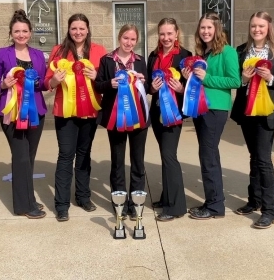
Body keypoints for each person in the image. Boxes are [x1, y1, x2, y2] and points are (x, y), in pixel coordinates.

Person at [231, 11, 274, 229]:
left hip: (267, 112)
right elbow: (235, 80)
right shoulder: (241, 51)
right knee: (254, 156)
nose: (257, 30)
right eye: (253, 26)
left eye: (261, 26)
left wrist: (271, 78)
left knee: (263, 159)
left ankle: (270, 210)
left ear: (269, 28)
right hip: (247, 111)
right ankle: (254, 200)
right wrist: (244, 79)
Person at [44, 13, 107, 222]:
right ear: (69, 30)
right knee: (65, 155)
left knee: (84, 154)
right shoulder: (58, 51)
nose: (78, 32)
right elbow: (47, 83)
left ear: (88, 29)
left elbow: (105, 81)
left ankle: (83, 196)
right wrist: (53, 80)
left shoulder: (99, 51)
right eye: (74, 28)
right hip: (65, 111)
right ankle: (61, 204)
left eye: (82, 28)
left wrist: (97, 77)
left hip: (89, 111)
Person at [0, 10, 47, 219]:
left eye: (24, 31)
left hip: (35, 113)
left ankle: (29, 199)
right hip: (11, 113)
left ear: (30, 33)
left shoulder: (39, 55)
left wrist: (54, 81)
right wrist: (3, 84)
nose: (21, 34)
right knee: (21, 157)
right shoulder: (2, 54)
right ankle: (23, 205)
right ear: (11, 33)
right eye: (17, 31)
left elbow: (42, 84)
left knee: (29, 159)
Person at [186, 13, 240, 220]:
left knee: (208, 157)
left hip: (215, 110)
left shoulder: (228, 52)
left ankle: (216, 206)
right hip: (201, 108)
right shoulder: (204, 53)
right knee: (207, 155)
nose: (205, 31)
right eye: (202, 28)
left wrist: (207, 78)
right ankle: (212, 200)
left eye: (209, 28)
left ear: (217, 29)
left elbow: (234, 80)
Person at [95, 24, 148, 220]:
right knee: (117, 161)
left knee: (137, 161)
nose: (129, 42)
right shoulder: (107, 60)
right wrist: (110, 84)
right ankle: (119, 202)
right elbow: (98, 84)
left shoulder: (141, 61)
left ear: (137, 41)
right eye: (126, 38)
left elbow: (149, 86)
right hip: (115, 118)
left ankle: (136, 202)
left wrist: (144, 81)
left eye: (133, 39)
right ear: (119, 38)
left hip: (138, 118)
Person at [147, 18, 191, 222]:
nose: (166, 38)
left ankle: (175, 207)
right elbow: (148, 85)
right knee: (165, 156)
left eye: (169, 34)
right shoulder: (153, 55)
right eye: (162, 34)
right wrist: (152, 89)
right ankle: (167, 198)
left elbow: (192, 87)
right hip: (156, 113)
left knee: (169, 155)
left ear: (176, 33)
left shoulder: (185, 56)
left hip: (173, 114)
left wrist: (182, 89)